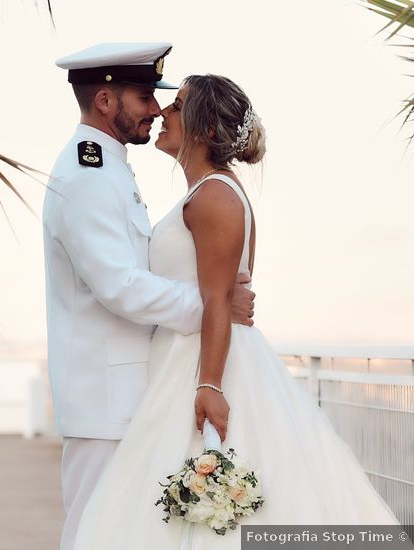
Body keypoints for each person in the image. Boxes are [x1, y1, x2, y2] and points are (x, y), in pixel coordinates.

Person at [72, 74, 400, 549]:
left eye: (179, 106)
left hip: (203, 368)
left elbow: (217, 300)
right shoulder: (208, 192)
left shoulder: (214, 198)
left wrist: (209, 386)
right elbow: (220, 295)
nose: (164, 112)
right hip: (183, 360)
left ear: (204, 129)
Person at [42, 43, 256, 550]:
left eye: (164, 100)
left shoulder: (109, 167)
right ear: (105, 102)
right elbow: (119, 285)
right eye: (145, 97)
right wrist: (213, 306)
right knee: (92, 533)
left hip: (134, 390)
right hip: (105, 397)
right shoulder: (87, 174)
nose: (156, 109)